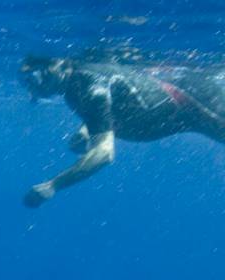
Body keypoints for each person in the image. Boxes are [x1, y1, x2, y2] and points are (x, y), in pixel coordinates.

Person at [20, 54, 225, 207]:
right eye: (28, 78)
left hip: (194, 101)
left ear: (61, 62)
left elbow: (104, 154)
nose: (36, 77)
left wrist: (53, 185)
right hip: (176, 109)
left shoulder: (86, 83)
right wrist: (87, 130)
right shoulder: (74, 88)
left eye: (42, 68)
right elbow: (108, 105)